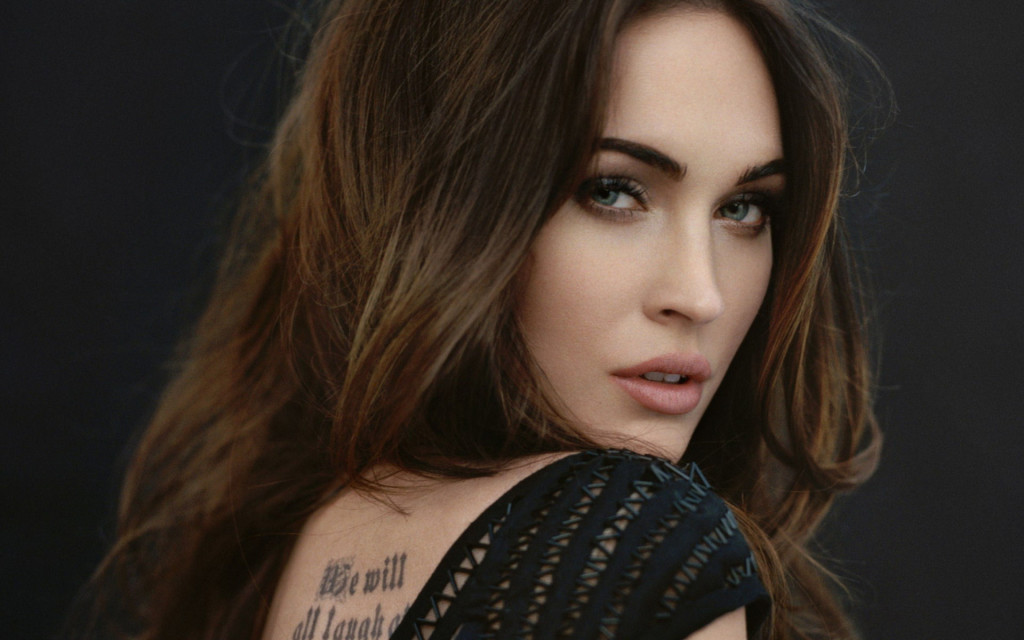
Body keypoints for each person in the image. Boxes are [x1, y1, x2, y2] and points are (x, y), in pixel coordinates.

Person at [69, 0, 883, 638]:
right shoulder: (648, 542)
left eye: (744, 208)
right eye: (613, 191)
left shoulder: (309, 544)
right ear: (451, 206)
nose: (701, 295)